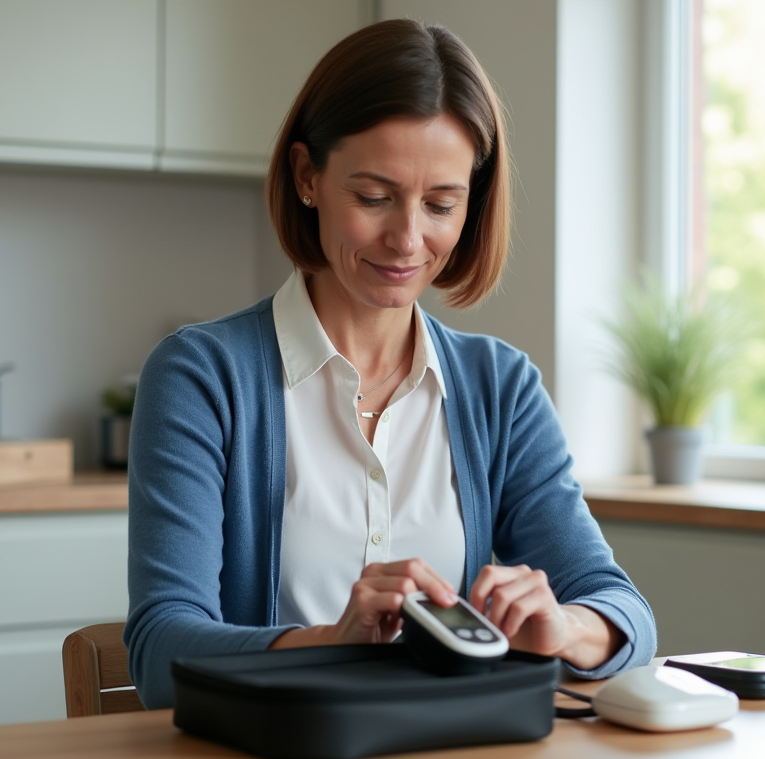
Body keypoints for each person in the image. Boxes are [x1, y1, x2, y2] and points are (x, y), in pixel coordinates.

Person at [124, 17, 656, 709]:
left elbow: (625, 613)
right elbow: (161, 650)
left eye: (441, 203)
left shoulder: (501, 387)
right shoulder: (203, 377)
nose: (407, 239)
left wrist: (568, 629)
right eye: (373, 197)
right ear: (307, 176)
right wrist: (336, 642)